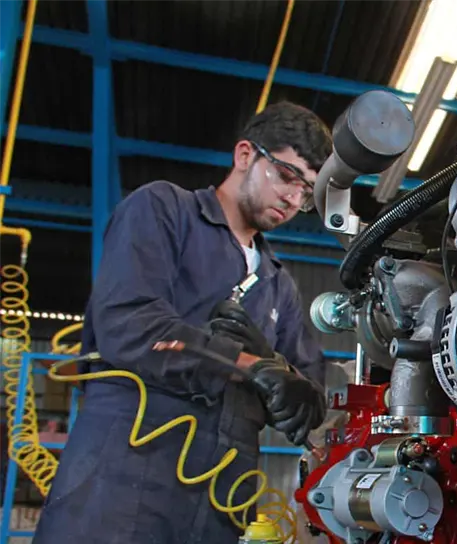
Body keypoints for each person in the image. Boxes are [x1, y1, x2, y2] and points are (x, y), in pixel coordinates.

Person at [34, 102, 333, 544]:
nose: (293, 198)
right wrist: (250, 365)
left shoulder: (278, 286)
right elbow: (130, 323)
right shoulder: (163, 210)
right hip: (122, 481)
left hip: (221, 498)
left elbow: (310, 386)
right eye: (287, 176)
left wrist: (286, 377)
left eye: (306, 192)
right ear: (245, 155)